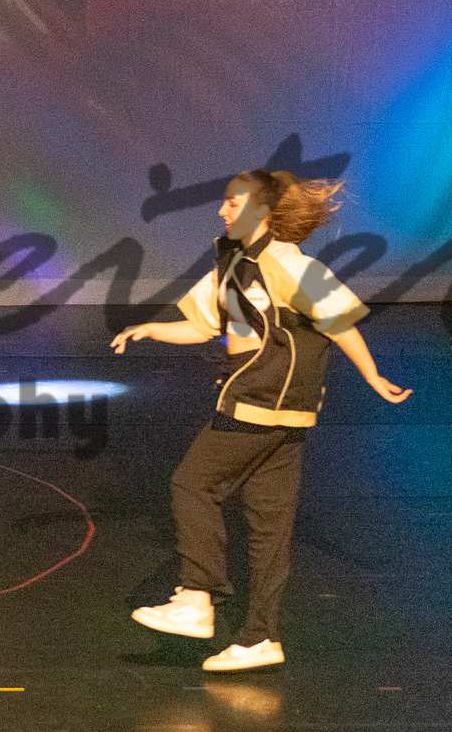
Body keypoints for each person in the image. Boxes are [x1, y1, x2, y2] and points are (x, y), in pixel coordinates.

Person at [112, 169, 411, 670]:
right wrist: (152, 329)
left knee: (193, 482)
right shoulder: (233, 265)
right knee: (268, 525)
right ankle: (260, 639)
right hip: (279, 411)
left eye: (233, 203)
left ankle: (196, 597)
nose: (222, 210)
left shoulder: (292, 265)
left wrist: (372, 374)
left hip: (264, 399)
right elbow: (203, 325)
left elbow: (340, 323)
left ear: (263, 213)